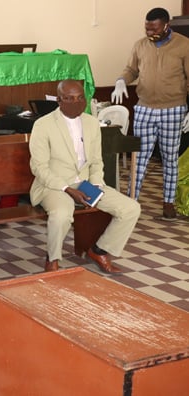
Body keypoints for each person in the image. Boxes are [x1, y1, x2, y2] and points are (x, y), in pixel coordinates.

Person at [30, 80, 140, 274]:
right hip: (54, 185)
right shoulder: (43, 124)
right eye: (70, 98)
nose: (76, 102)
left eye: (80, 98)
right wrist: (68, 189)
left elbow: (97, 161)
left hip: (86, 182)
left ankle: (99, 251)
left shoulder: (90, 122)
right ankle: (52, 259)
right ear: (59, 100)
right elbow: (39, 167)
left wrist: (96, 185)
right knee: (62, 214)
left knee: (130, 208)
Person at [111, 7, 189, 220]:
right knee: (140, 157)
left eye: (154, 28)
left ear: (166, 25)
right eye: (146, 28)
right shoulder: (140, 45)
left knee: (169, 158)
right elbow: (131, 70)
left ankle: (168, 203)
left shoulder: (183, 45)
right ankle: (132, 201)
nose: (149, 32)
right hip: (144, 107)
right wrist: (121, 80)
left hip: (173, 108)